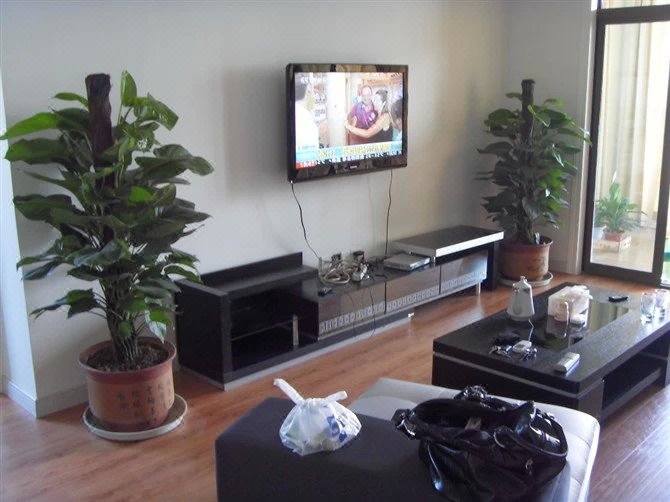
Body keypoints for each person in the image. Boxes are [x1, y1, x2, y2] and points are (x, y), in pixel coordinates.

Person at [294, 81, 319, 152]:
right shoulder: (302, 117)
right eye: (312, 92)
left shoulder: (300, 113)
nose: (314, 97)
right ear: (307, 92)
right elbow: (310, 147)